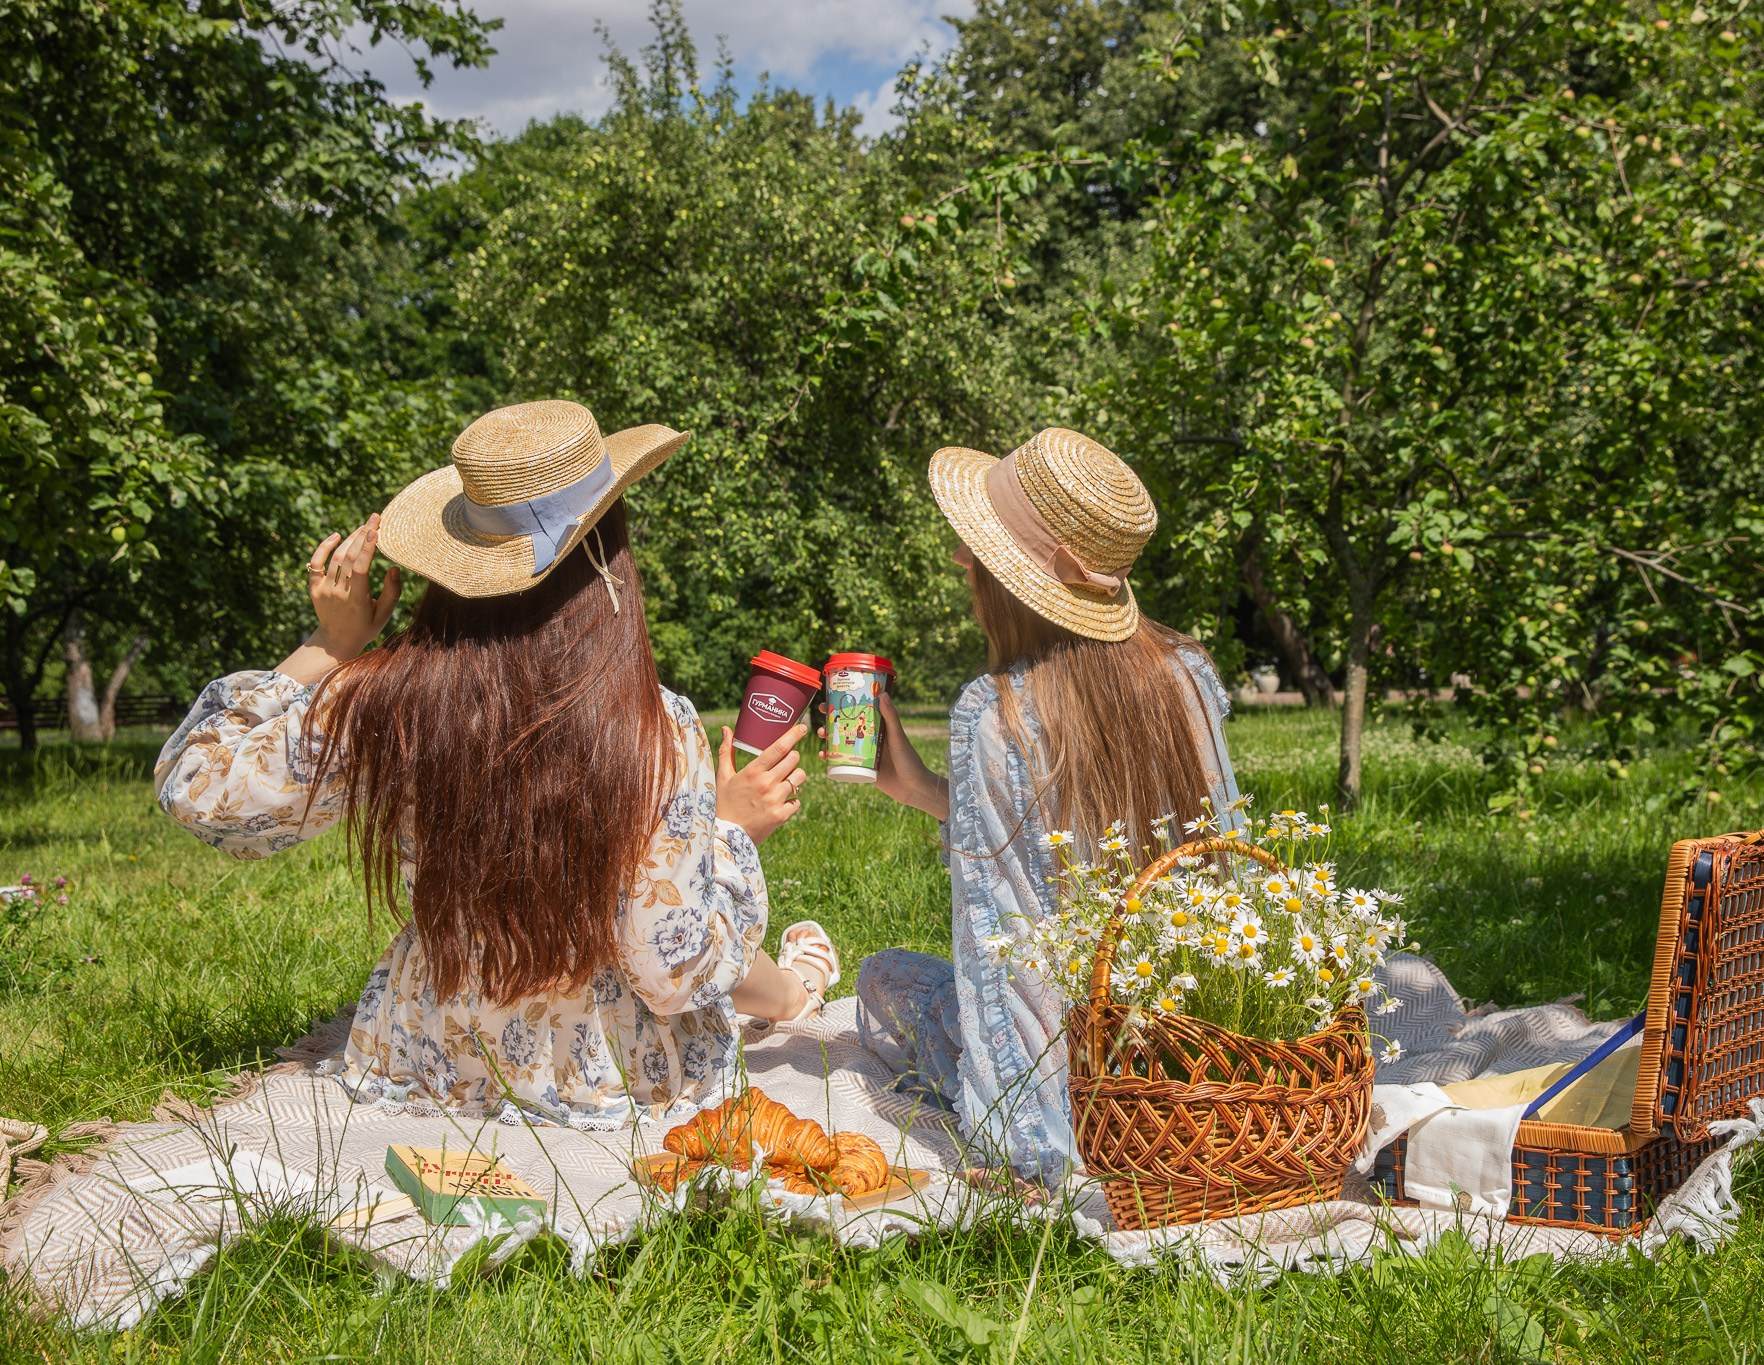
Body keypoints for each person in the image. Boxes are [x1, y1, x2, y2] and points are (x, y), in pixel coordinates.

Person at [155, 401, 840, 1127]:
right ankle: (794, 992)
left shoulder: (382, 700)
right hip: (608, 1074)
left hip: (435, 1063)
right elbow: (670, 967)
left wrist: (331, 647)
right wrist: (730, 834)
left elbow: (197, 789)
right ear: (607, 555)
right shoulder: (652, 725)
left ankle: (794, 991)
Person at [851, 428, 1242, 1182]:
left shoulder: (992, 714)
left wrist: (1029, 1145)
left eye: (976, 546)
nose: (961, 560)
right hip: (1193, 1050)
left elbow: (1004, 952)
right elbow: (1219, 870)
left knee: (882, 980)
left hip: (1073, 1085)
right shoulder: (1188, 673)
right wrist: (928, 792)